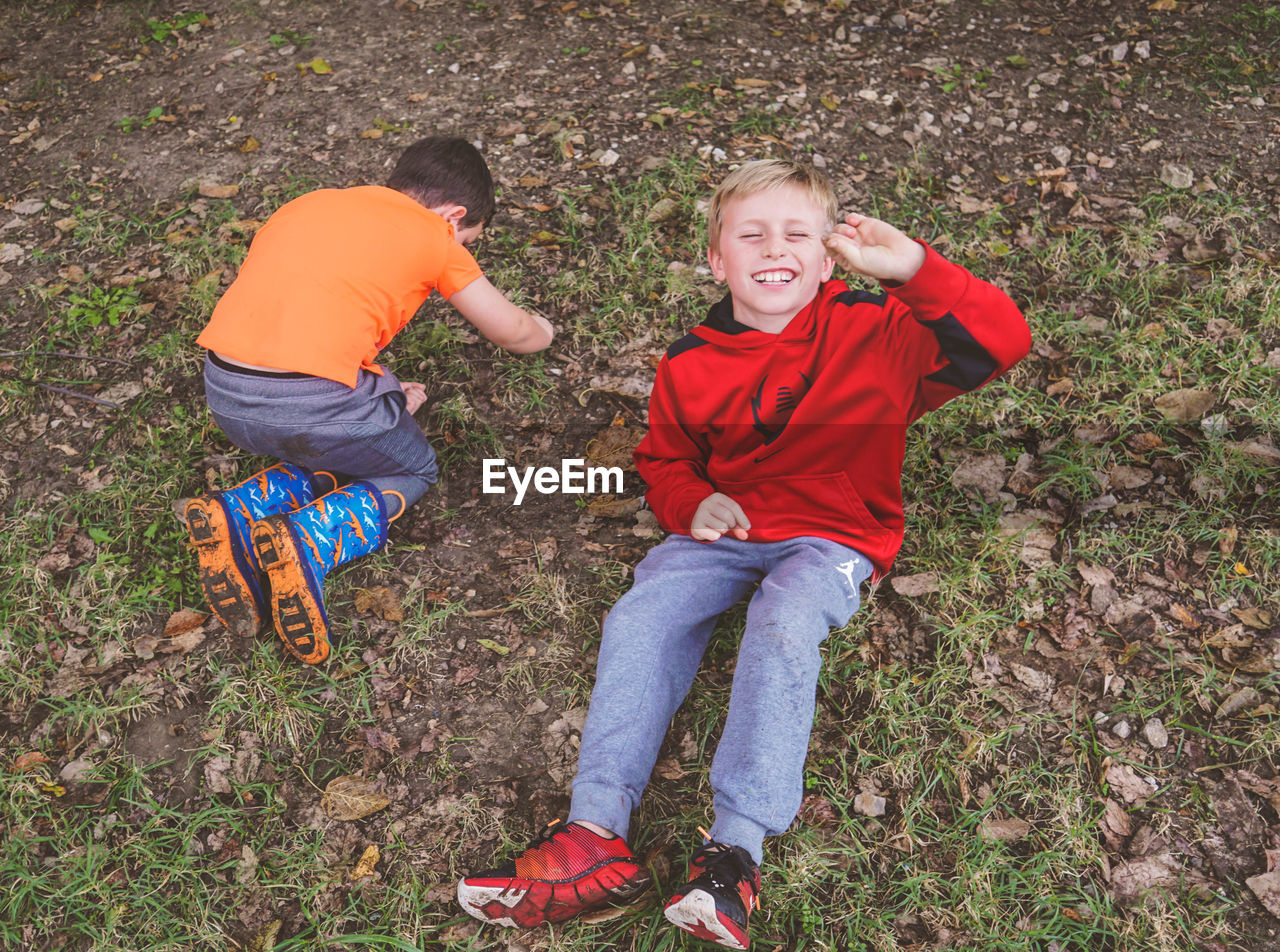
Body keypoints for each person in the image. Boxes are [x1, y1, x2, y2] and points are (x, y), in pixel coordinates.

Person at [455, 158, 1030, 949]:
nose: (774, 246)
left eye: (797, 233)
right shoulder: (689, 362)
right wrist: (693, 501)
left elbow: (1005, 340)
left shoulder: (879, 329)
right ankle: (593, 834)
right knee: (644, 611)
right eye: (750, 232)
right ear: (718, 259)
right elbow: (663, 461)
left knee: (786, 617)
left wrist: (915, 272)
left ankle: (733, 854)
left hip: (835, 534)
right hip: (725, 533)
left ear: (829, 256)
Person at [185, 136, 554, 665]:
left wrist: (381, 401)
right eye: (470, 237)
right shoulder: (435, 236)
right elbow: (514, 333)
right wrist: (544, 328)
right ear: (453, 216)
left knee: (347, 434)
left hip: (225, 392)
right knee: (415, 469)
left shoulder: (308, 205)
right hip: (313, 402)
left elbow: (301, 321)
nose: (464, 247)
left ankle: (241, 508)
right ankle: (311, 537)